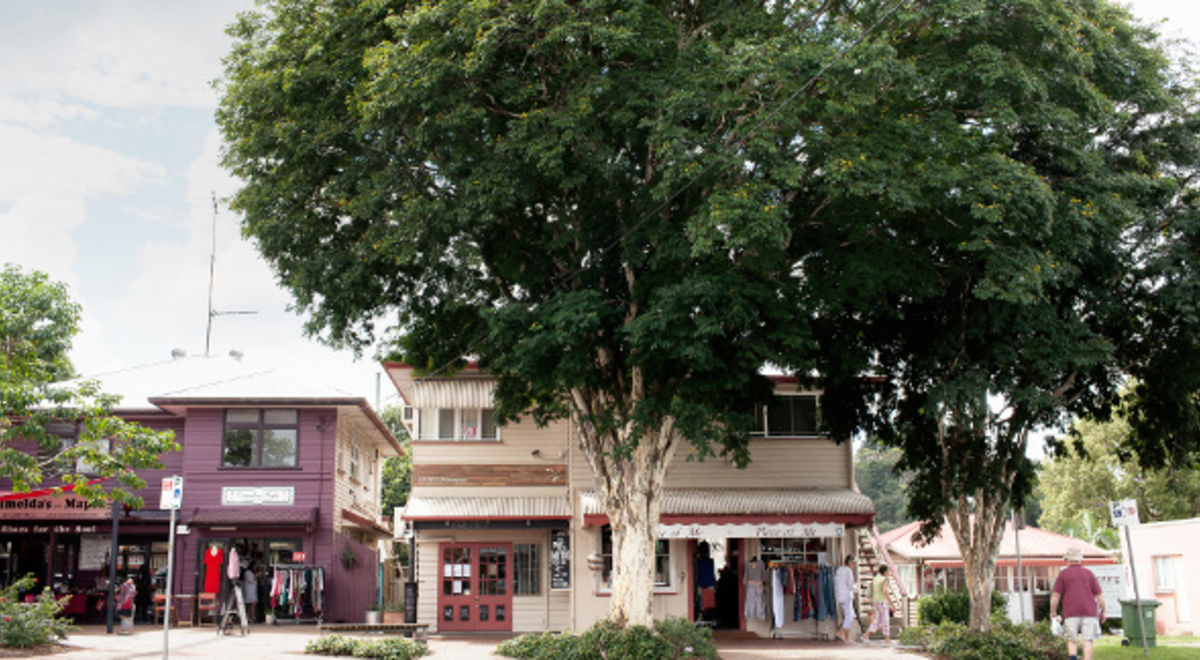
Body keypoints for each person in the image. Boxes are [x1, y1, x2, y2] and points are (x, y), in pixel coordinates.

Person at [1050, 547, 1104, 660]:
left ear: (1068, 560)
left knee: (1072, 640)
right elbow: (1099, 596)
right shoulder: (1089, 573)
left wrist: (1053, 611)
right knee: (1088, 640)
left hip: (1071, 612)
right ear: (1080, 560)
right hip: (1090, 611)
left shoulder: (1063, 574)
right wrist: (1103, 611)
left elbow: (1056, 595)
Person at [863, 565, 891, 643]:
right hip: (882, 601)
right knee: (885, 619)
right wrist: (892, 603)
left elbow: (872, 590)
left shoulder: (875, 579)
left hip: (875, 601)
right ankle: (887, 638)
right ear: (885, 572)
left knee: (877, 619)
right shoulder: (884, 580)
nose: (889, 573)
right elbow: (885, 592)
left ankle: (867, 634)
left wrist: (871, 601)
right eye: (888, 571)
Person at [834, 555, 857, 643]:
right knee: (849, 616)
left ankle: (841, 633)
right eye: (854, 563)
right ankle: (845, 637)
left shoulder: (839, 570)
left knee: (850, 615)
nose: (854, 565)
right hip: (847, 595)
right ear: (851, 563)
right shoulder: (848, 571)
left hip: (840, 595)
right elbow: (851, 585)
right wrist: (856, 586)